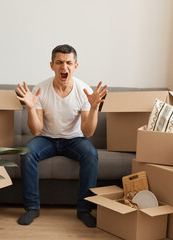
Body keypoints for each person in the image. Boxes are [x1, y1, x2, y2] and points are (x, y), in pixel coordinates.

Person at [15, 44, 107, 228]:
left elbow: (87, 132)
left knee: (91, 154)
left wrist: (94, 107)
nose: (64, 67)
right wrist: (31, 108)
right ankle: (32, 208)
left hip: (74, 139)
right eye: (59, 62)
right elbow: (36, 130)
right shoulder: (41, 89)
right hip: (47, 139)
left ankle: (84, 210)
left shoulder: (83, 91)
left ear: (75, 66)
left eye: (68, 63)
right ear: (52, 65)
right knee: (26, 152)